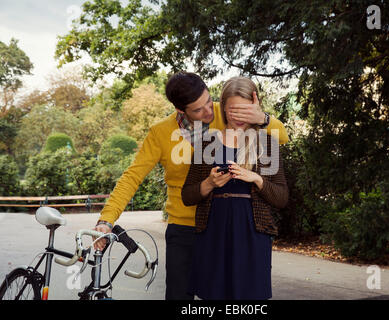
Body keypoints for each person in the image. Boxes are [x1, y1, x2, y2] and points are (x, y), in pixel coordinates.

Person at [93, 72, 289, 300]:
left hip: (222, 227)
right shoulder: (160, 133)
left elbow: (280, 137)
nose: (209, 112)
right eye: (198, 109)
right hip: (185, 228)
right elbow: (132, 177)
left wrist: (262, 117)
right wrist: (106, 220)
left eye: (209, 101)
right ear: (181, 111)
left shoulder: (226, 112)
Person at [181, 77, 289, 300]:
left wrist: (256, 179)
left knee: (248, 298)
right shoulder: (207, 142)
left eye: (245, 110)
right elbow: (187, 196)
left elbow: (281, 198)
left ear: (255, 107)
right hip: (213, 230)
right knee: (214, 295)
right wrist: (209, 184)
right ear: (223, 108)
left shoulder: (266, 143)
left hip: (253, 232)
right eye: (233, 110)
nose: (239, 117)